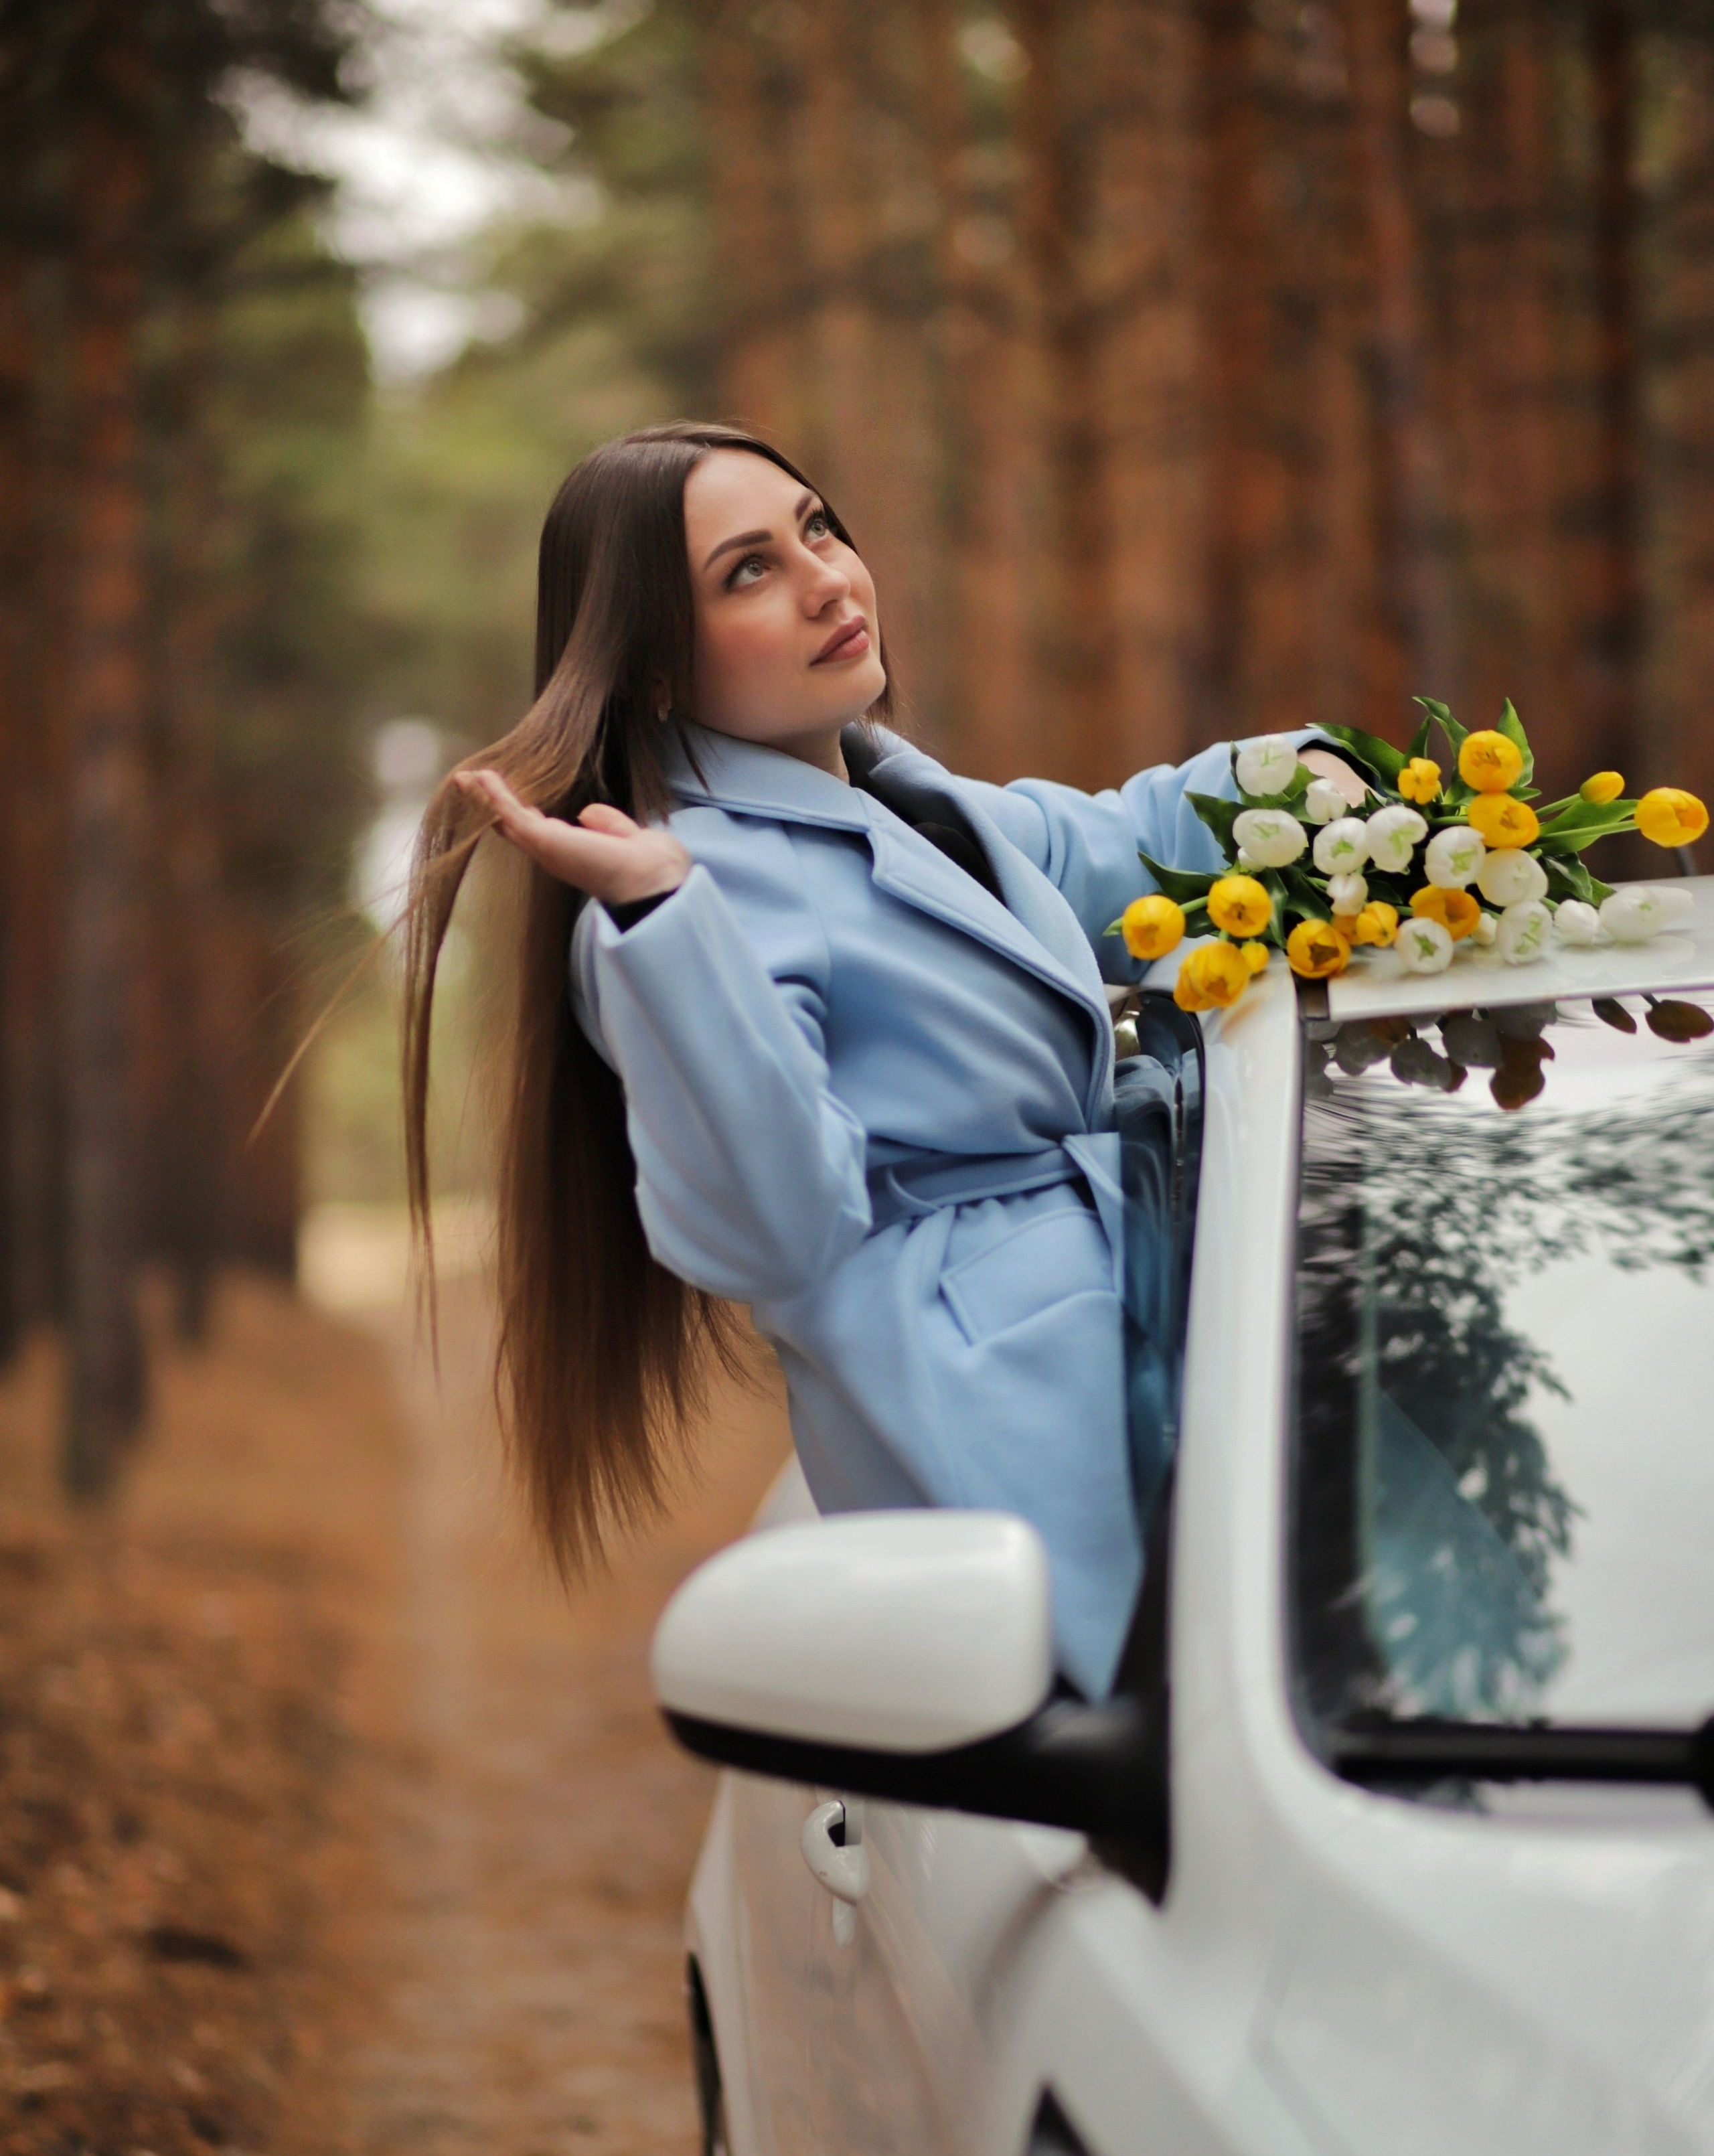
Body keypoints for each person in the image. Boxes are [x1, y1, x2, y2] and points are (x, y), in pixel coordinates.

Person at [404, 421, 1317, 1702]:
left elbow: (1119, 847)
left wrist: (1340, 794)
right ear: (656, 671)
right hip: (1023, 1435)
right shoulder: (695, 899)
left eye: (817, 527)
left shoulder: (898, 802)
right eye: (748, 572)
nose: (827, 578)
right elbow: (776, 1229)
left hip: (1170, 1332)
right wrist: (666, 918)